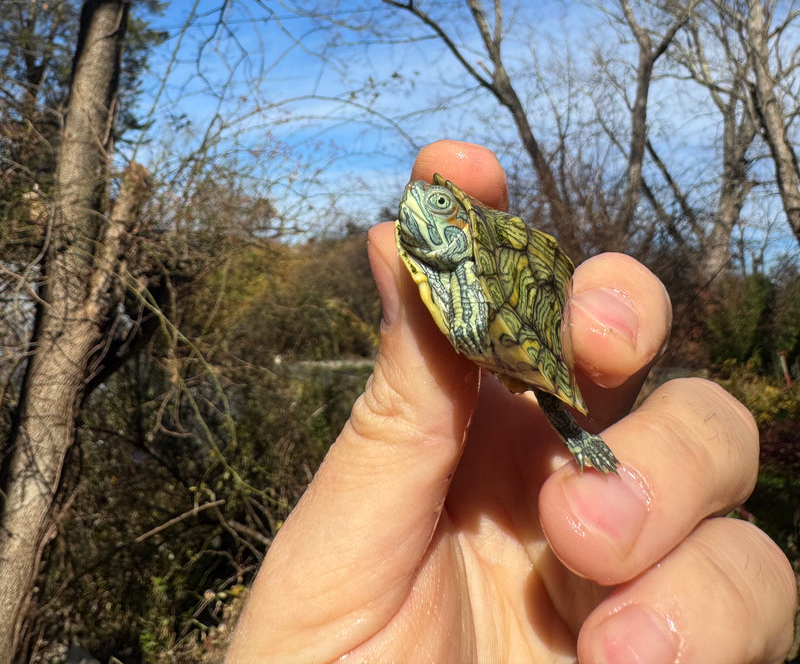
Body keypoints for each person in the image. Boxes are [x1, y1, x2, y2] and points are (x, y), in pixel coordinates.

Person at [226, 140, 797, 664]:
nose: (422, 209)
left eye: (443, 209)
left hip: (516, 320)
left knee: (555, 390)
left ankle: (577, 434)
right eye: (420, 203)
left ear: (463, 231)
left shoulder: (483, 275)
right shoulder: (429, 271)